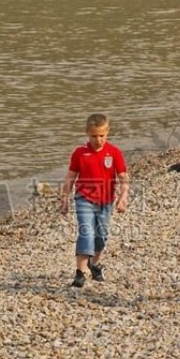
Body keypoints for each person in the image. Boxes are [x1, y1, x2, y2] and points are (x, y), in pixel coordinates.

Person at [58, 114, 130, 287]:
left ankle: (95, 264)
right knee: (86, 232)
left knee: (101, 235)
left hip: (105, 201)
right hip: (84, 199)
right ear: (87, 134)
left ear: (107, 132)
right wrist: (64, 198)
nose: (98, 140)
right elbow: (70, 177)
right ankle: (80, 273)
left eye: (102, 135)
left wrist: (123, 197)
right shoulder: (80, 153)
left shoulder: (114, 153)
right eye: (94, 136)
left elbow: (123, 178)